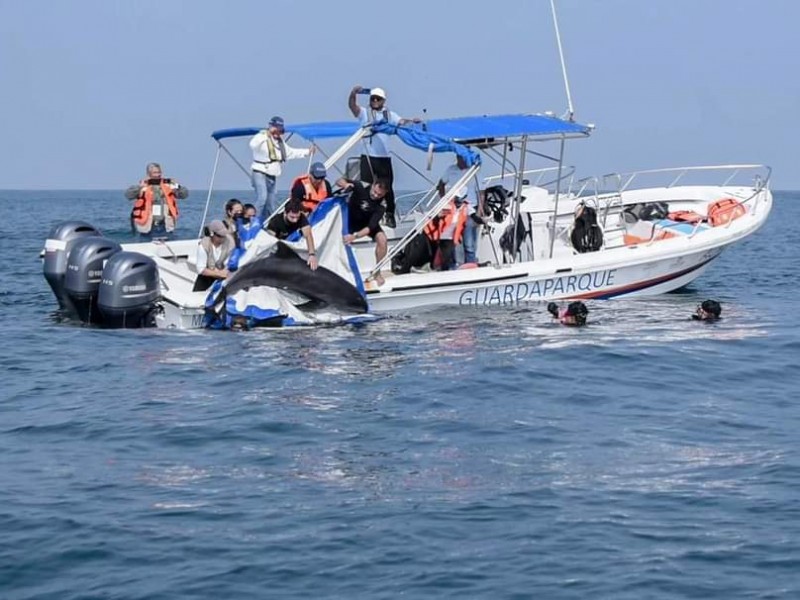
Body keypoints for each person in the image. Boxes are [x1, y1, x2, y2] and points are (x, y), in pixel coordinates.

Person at [348, 85, 420, 229]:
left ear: (383, 100)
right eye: (372, 98)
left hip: (383, 158)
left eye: (378, 99)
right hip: (368, 156)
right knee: (366, 187)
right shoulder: (365, 113)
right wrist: (353, 93)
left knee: (387, 188)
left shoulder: (389, 115)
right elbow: (352, 106)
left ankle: (389, 214)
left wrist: (412, 121)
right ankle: (363, 216)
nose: (375, 101)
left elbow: (401, 122)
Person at [249, 116, 313, 220]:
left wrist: (307, 152)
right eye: (275, 128)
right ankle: (254, 221)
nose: (277, 132)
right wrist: (267, 135)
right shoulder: (261, 136)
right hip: (260, 171)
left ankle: (267, 222)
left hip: (272, 173)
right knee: (262, 198)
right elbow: (253, 145)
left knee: (270, 201)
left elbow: (290, 153)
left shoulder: (280, 142)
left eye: (279, 129)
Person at [339, 178, 390, 286]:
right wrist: (346, 185)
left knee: (382, 239)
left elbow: (370, 227)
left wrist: (354, 237)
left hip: (367, 224)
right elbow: (339, 180)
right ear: (373, 185)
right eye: (375, 192)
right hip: (351, 220)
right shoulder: (360, 186)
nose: (376, 196)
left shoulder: (382, 205)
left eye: (379, 195)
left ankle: (377, 271)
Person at [437, 155, 486, 264]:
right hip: (455, 209)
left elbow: (481, 192)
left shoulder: (474, 171)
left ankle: (470, 263)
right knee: (454, 238)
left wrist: (480, 210)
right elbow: (440, 185)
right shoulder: (451, 170)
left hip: (471, 209)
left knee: (469, 242)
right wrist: (445, 201)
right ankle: (455, 263)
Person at [125, 162, 189, 238]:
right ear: (148, 174)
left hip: (165, 226)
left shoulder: (168, 185)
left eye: (159, 172)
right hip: (147, 227)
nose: (158, 175)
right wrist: (140, 187)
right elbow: (128, 195)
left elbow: (184, 195)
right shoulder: (143, 187)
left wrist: (177, 185)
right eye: (155, 172)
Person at [265, 198, 319, 270]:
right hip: (278, 242)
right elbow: (269, 241)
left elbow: (308, 235)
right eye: (292, 217)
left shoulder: (301, 218)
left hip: (292, 240)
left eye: (297, 217)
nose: (295, 220)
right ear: (285, 213)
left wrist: (312, 255)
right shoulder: (275, 221)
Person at [193, 220, 235, 292]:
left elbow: (230, 261)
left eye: (224, 235)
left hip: (224, 275)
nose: (222, 238)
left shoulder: (230, 242)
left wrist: (224, 272)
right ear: (212, 234)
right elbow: (201, 269)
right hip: (206, 276)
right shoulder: (204, 245)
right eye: (219, 236)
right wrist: (218, 274)